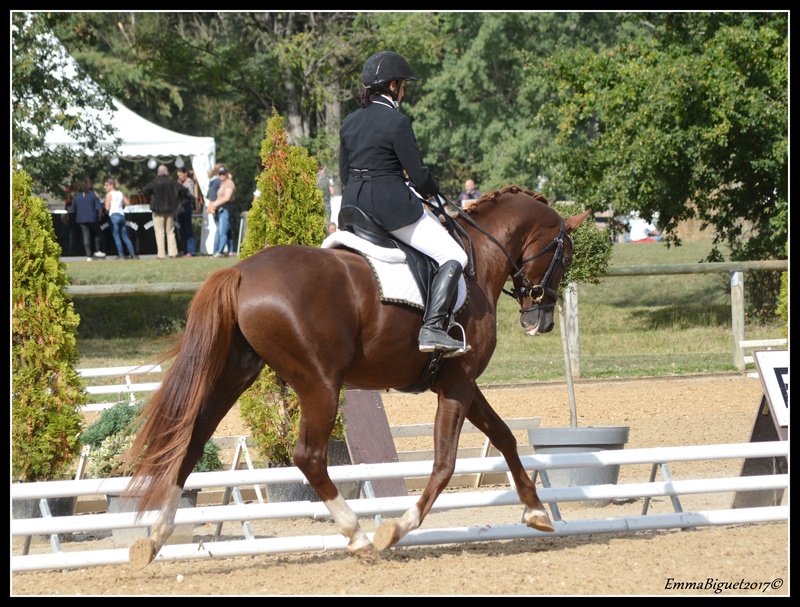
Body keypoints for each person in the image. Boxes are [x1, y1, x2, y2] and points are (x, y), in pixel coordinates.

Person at [339, 51, 470, 356]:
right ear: (394, 85)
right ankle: (433, 328)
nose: (404, 92)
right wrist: (433, 195)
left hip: (352, 208)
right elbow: (419, 175)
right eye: (404, 86)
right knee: (454, 254)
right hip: (389, 209)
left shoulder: (349, 121)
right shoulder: (397, 122)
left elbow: (346, 173)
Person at [141, 164, 189, 259]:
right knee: (170, 232)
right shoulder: (172, 182)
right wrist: (176, 200)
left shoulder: (155, 182)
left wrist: (152, 197)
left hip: (158, 210)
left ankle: (161, 254)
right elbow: (183, 190)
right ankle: (173, 253)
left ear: (158, 173)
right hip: (170, 210)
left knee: (160, 232)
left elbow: (145, 191)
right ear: (166, 172)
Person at [71, 179, 107, 261]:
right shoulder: (93, 195)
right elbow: (99, 207)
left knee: (85, 236)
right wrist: (99, 215)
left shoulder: (76, 196)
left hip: (81, 219)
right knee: (97, 233)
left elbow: (73, 210)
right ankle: (98, 250)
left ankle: (89, 255)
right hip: (92, 218)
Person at [103, 178, 138, 260]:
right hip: (121, 215)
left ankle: (121, 255)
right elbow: (128, 202)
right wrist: (121, 206)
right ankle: (132, 254)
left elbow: (107, 208)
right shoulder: (120, 193)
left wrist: (107, 204)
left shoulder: (109, 194)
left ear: (112, 185)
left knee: (116, 236)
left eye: (106, 185)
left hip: (114, 215)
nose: (105, 187)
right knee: (125, 236)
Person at [209, 166, 237, 257]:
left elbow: (227, 197)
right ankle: (230, 251)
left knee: (223, 231)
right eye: (220, 174)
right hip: (222, 209)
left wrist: (215, 204)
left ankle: (220, 251)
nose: (221, 175)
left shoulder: (229, 183)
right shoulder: (222, 183)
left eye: (223, 173)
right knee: (227, 231)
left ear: (226, 174)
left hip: (227, 209)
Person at [176, 166, 197, 257]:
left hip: (187, 207)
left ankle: (191, 250)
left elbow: (191, 196)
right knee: (182, 229)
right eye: (178, 176)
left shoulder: (190, 183)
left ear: (185, 173)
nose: (180, 177)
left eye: (181, 175)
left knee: (188, 229)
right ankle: (184, 250)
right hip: (180, 208)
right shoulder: (179, 182)